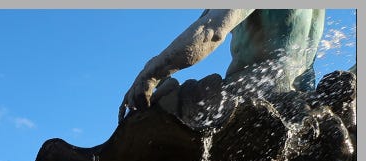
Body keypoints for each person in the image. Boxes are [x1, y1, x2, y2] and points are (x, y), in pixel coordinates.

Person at [120, 9, 326, 123]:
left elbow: (210, 31)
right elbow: (305, 66)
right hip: (295, 105)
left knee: (154, 115)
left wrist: (151, 74)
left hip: (248, 98)